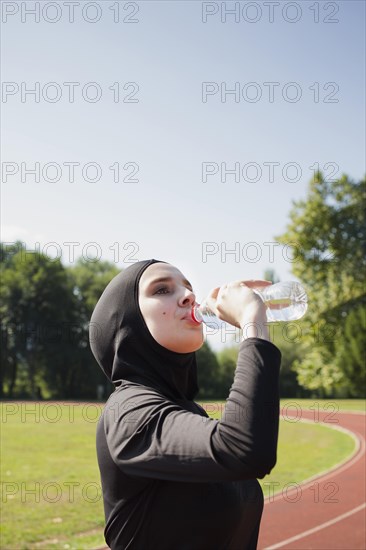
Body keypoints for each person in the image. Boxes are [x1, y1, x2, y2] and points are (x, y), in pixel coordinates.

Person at [89, 259, 281, 550]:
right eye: (162, 289)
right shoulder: (127, 411)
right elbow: (244, 449)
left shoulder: (186, 411)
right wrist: (253, 324)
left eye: (188, 287)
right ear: (127, 322)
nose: (189, 295)